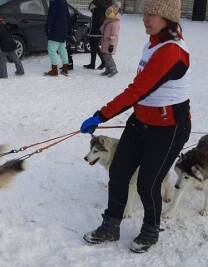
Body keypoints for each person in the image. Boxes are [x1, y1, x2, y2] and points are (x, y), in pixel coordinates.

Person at [80, 0, 191, 253]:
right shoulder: (153, 42)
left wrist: (101, 114)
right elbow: (141, 88)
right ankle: (110, 226)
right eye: (145, 12)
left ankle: (150, 231)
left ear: (168, 18)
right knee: (118, 173)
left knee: (147, 183)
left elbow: (138, 90)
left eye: (152, 14)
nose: (145, 18)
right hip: (141, 120)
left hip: (169, 127)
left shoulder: (173, 51)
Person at [44, 0, 71, 76]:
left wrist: (48, 27)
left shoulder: (54, 2)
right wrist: (68, 28)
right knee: (62, 49)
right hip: (63, 29)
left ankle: (54, 70)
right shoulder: (63, 2)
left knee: (51, 49)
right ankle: (65, 68)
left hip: (55, 29)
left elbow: (52, 15)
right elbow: (67, 16)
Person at [83, 0, 112, 70]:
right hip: (94, 23)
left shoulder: (108, 2)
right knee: (92, 44)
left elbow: (107, 10)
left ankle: (103, 61)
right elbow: (91, 7)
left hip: (100, 25)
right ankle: (92, 63)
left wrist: (96, 5)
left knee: (95, 45)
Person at [100, 2, 121, 77]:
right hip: (105, 42)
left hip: (110, 43)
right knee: (105, 57)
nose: (107, 15)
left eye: (109, 13)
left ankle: (113, 69)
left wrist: (111, 45)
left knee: (108, 57)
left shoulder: (115, 23)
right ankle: (107, 70)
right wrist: (105, 24)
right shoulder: (109, 22)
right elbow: (102, 30)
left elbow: (114, 35)